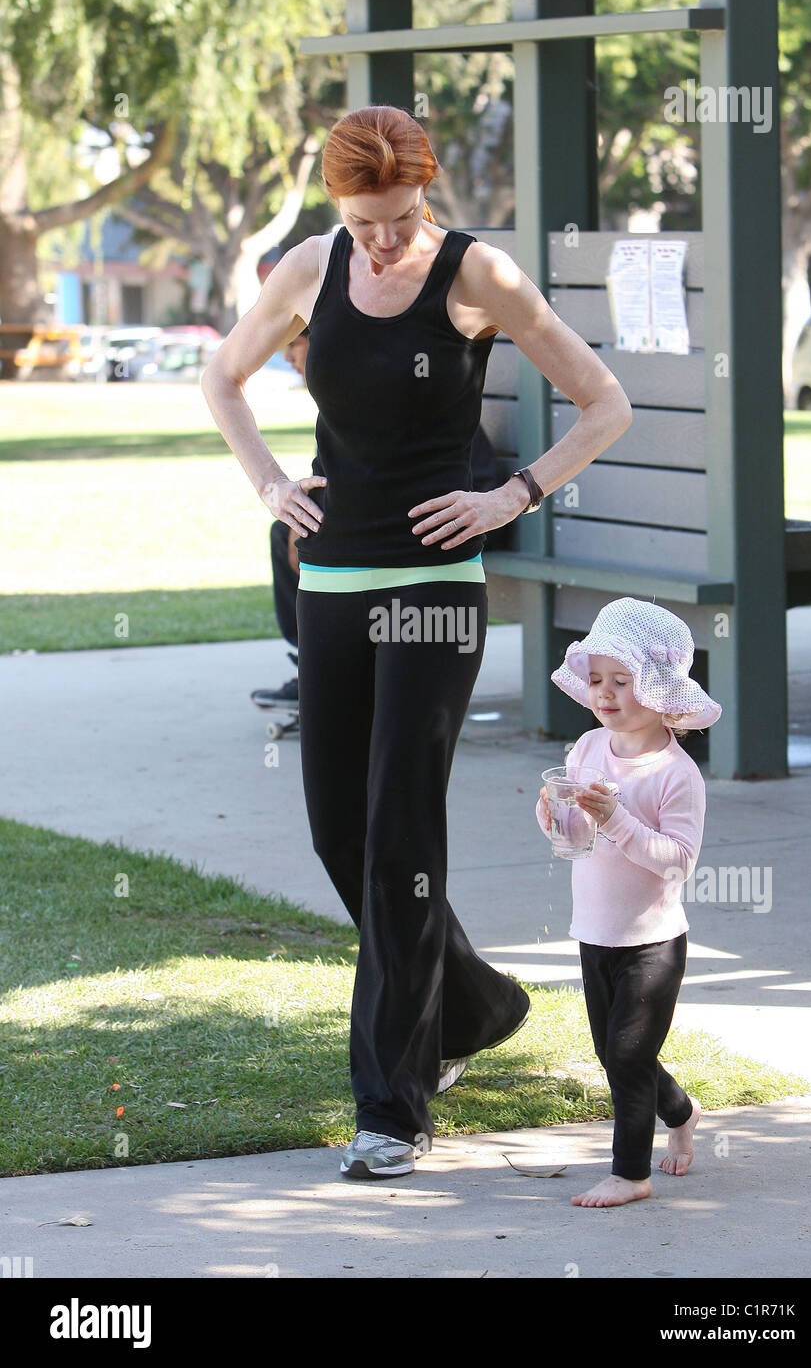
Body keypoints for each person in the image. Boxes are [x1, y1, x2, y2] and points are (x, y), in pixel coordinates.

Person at [202, 105, 632, 1180]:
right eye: (362, 222)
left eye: (395, 220)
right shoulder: (308, 266)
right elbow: (221, 377)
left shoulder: (480, 276)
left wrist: (511, 497)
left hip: (436, 587)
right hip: (333, 579)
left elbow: (602, 401)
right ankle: (478, 1001)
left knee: (399, 827)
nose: (380, 242)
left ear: (421, 196)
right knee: (334, 831)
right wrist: (266, 482)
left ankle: (392, 1100)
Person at [535, 598, 722, 1207]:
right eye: (596, 680)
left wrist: (616, 817)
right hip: (594, 929)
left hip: (652, 941)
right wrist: (555, 816)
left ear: (662, 692)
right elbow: (579, 836)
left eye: (623, 681)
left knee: (627, 1053)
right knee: (613, 1050)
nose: (605, 694)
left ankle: (630, 1173)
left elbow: (678, 860)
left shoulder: (675, 773)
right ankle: (681, 1110)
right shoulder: (589, 746)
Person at [251, 328, 509, 713]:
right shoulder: (349, 394)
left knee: (305, 532)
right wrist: (284, 495)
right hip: (404, 520)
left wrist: (520, 493)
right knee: (289, 529)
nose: (288, 357)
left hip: (462, 513)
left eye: (293, 345)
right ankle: (311, 660)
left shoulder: (396, 386)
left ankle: (344, 671)